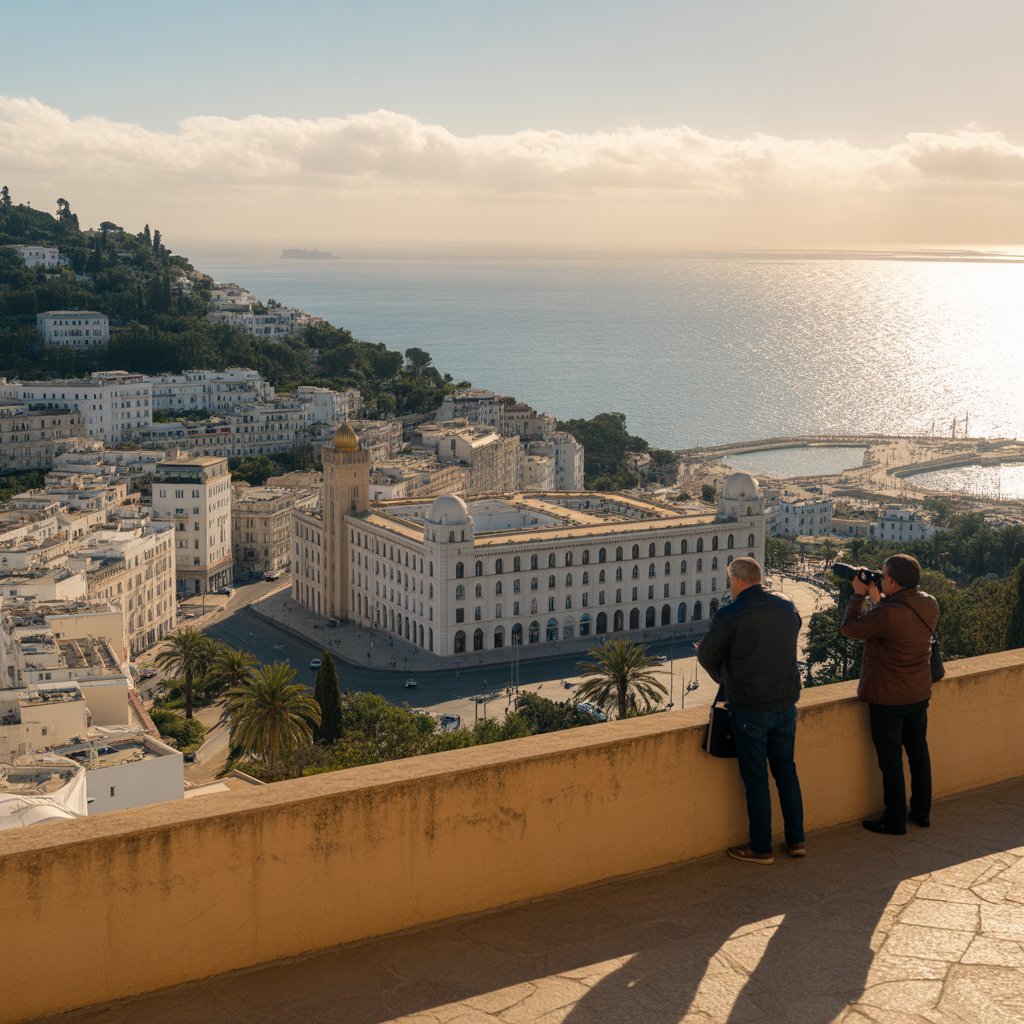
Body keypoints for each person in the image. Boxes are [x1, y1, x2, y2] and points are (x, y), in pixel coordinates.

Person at [698, 557, 805, 865]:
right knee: (787, 772)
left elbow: (707, 656)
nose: (729, 586)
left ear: (737, 580)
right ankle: (796, 840)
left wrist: (727, 678)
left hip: (750, 708)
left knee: (756, 778)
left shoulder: (729, 614)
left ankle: (761, 847)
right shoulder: (786, 605)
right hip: (786, 704)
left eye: (730, 581)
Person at [840, 553, 939, 835]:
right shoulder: (929, 603)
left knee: (891, 760)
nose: (879, 579)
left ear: (893, 582)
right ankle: (922, 812)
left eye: (883, 576)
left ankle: (894, 819)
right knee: (919, 753)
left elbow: (850, 628)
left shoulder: (887, 613)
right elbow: (894, 623)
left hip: (887, 698)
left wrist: (859, 595)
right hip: (918, 692)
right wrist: (878, 596)